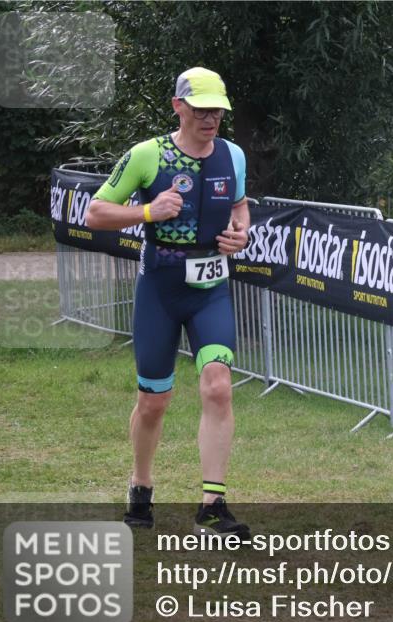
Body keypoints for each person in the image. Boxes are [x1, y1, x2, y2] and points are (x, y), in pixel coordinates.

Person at [86, 67, 252, 538]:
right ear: (179, 106)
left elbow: (240, 204)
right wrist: (146, 211)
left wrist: (242, 230)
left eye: (217, 109)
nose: (210, 118)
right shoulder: (147, 155)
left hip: (212, 290)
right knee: (154, 399)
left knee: (218, 385)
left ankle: (212, 506)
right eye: (200, 109)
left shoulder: (233, 156)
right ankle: (141, 488)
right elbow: (95, 212)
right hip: (160, 289)